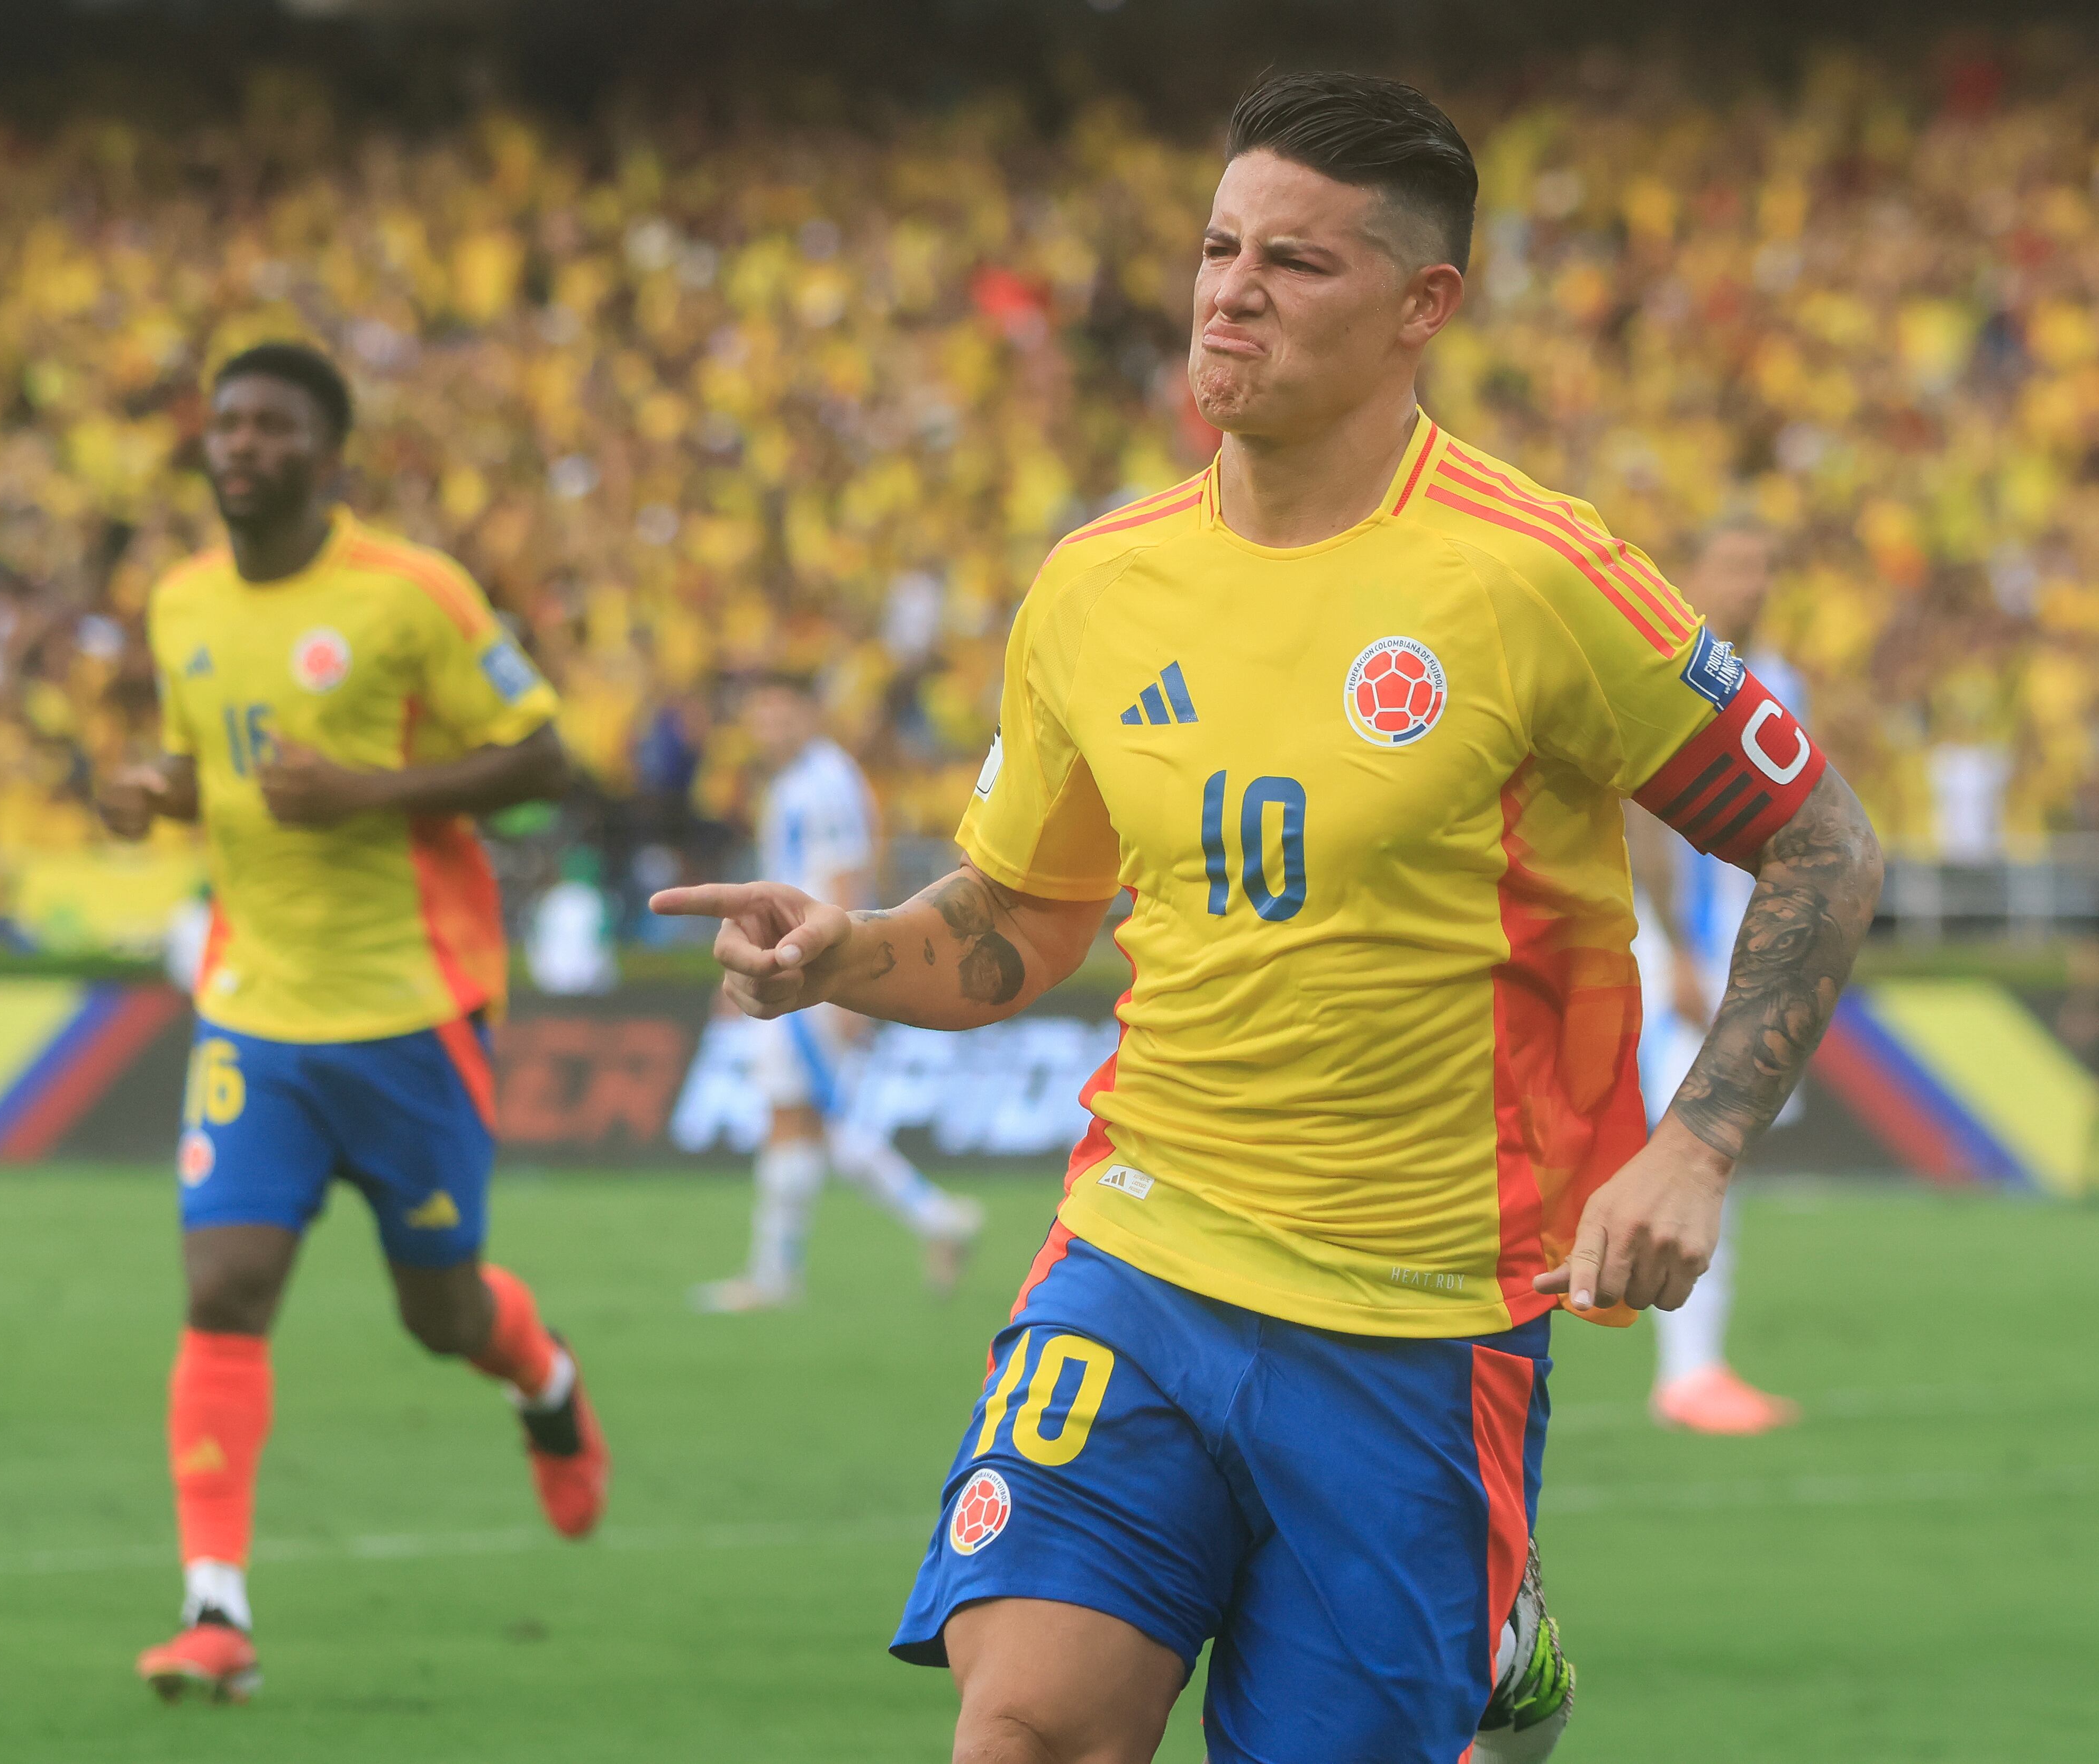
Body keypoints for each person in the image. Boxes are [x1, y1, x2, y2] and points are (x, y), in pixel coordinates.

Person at [656, 73, 1884, 1764]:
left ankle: (1490, 1633)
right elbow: (1019, 915)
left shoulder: (1535, 575)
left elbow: (1823, 842)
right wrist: (843, 952)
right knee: (1023, 1728)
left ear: (1421, 305)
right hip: (1139, 1257)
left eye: (1295, 262)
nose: (1231, 291)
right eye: (1219, 247)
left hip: (1417, 1320)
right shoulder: (1098, 583)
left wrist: (1699, 1143)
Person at [100, 342, 607, 1705]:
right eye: (226, 423)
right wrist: (158, 789)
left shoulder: (408, 593)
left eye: (271, 426)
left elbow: (543, 755)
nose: (240, 444)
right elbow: (217, 766)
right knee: (225, 1286)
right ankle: (215, 1611)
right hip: (254, 1010)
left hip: (408, 1011)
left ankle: (544, 1379)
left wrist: (369, 793)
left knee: (441, 1313)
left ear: (327, 457)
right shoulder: (181, 602)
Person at [692, 675, 985, 1313]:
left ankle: (926, 1222)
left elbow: (849, 878)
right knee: (805, 1117)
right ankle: (920, 1225)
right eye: (761, 718)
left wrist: (852, 976)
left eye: (781, 715)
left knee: (808, 1116)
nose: (770, 729)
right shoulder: (799, 783)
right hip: (789, 962)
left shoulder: (823, 783)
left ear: (810, 715)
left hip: (810, 968)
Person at [1626, 518, 1808, 1435]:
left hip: (1742, 960)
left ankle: (1696, 1364)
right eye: (1735, 563)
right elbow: (1643, 817)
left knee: (1712, 1153)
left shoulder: (1782, 679)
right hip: (1679, 964)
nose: (1753, 580)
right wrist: (1675, 951)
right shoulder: (1675, 667)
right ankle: (1688, 1373)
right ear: (1694, 571)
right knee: (1697, 1148)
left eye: (1764, 564)